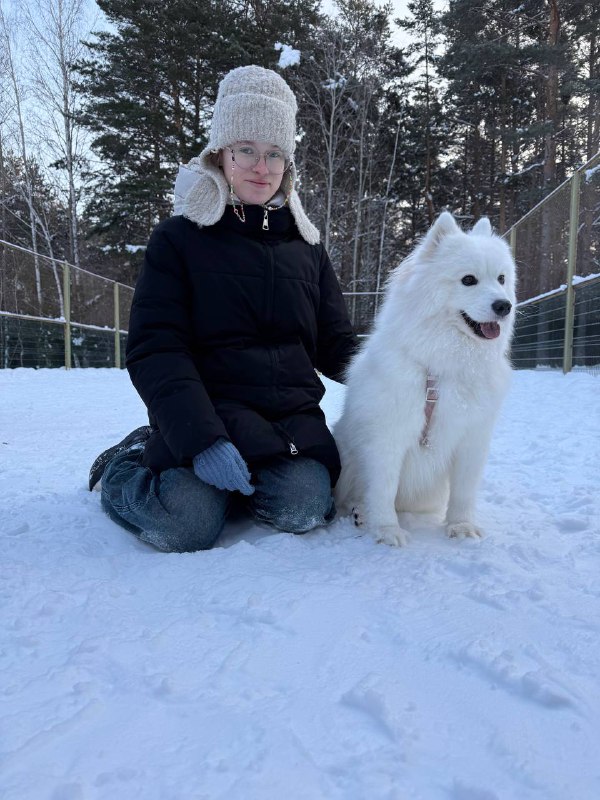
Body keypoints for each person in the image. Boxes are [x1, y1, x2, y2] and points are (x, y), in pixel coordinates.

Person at [89, 65, 358, 553]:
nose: (262, 167)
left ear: (288, 164)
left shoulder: (307, 248)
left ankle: (238, 489)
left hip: (286, 427)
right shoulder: (178, 239)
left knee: (304, 507)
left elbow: (336, 343)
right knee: (185, 525)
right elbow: (157, 349)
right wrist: (201, 440)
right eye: (246, 150)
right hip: (206, 418)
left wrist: (405, 371)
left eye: (274, 153)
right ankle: (126, 463)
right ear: (220, 154)